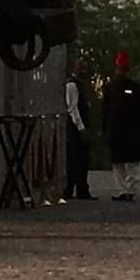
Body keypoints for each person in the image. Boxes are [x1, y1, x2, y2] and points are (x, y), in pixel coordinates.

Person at [103, 51, 140, 201]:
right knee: (118, 162)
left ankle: (131, 190)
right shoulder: (110, 88)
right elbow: (106, 109)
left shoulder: (135, 88)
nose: (120, 72)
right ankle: (122, 190)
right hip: (116, 130)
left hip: (132, 130)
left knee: (132, 162)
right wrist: (105, 128)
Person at [61, 67, 93, 202]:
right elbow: (73, 108)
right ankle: (72, 188)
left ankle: (80, 187)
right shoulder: (72, 85)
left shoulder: (79, 85)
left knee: (80, 158)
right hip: (75, 128)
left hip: (79, 126)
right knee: (76, 158)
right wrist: (80, 127)